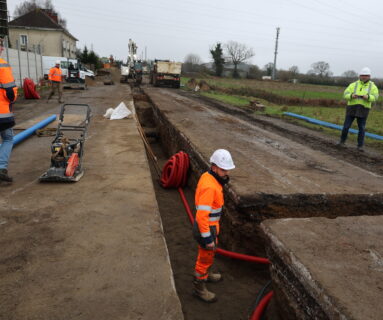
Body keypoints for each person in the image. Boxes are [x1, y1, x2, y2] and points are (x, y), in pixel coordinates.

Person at [192, 149, 235, 303]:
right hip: (206, 228)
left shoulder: (209, 177)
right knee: (205, 257)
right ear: (214, 167)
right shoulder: (210, 187)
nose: (227, 172)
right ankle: (199, 288)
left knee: (208, 255)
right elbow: (202, 215)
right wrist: (208, 238)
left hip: (210, 226)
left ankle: (207, 274)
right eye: (224, 169)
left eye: (227, 169)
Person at [339, 67, 379, 151]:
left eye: (366, 75)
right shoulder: (353, 84)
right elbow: (345, 94)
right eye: (362, 75)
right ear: (359, 76)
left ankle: (360, 146)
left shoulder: (373, 86)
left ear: (369, 76)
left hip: (363, 109)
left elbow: (375, 97)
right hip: (352, 108)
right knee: (346, 126)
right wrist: (351, 96)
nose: (364, 77)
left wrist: (368, 97)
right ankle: (342, 142)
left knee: (362, 128)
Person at [0, 37, 18, 182]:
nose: (2, 48)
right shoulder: (2, 65)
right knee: (7, 138)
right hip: (2, 113)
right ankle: (1, 168)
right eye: (0, 45)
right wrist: (12, 100)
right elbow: (10, 92)